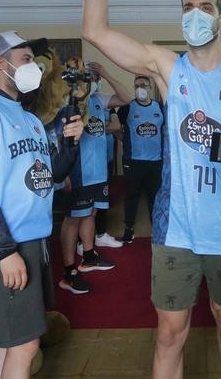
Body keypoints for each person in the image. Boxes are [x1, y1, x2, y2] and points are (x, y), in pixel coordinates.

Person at [83, 0, 221, 379]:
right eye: (187, 6)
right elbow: (94, 32)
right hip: (177, 229)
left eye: (205, 6)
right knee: (170, 333)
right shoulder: (169, 68)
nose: (195, 13)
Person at [0, 31, 84, 379]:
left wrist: (70, 144)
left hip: (31, 240)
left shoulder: (28, 118)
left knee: (7, 341)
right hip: (5, 246)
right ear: (1, 64)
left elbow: (50, 174)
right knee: (25, 347)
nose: (34, 68)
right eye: (26, 60)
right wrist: (6, 251)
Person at [57, 60, 132, 295]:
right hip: (77, 172)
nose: (88, 81)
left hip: (98, 170)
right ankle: (69, 272)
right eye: (84, 78)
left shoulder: (98, 100)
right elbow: (58, 140)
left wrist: (106, 73)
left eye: (90, 78)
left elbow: (127, 97)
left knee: (91, 213)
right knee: (72, 219)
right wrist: (64, 174)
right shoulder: (66, 104)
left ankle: (89, 257)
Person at [117, 75, 164, 243]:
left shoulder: (160, 107)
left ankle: (157, 230)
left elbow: (165, 129)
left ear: (150, 87)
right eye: (136, 85)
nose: (140, 88)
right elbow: (116, 126)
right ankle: (128, 230)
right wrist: (124, 140)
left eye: (143, 85)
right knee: (131, 196)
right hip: (133, 161)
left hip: (155, 161)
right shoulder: (127, 108)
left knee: (155, 197)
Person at [94, 107, 121, 244]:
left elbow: (116, 125)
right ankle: (82, 240)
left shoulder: (109, 108)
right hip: (90, 161)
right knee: (88, 202)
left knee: (103, 198)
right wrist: (105, 126)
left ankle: (100, 233)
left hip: (107, 159)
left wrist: (95, 129)